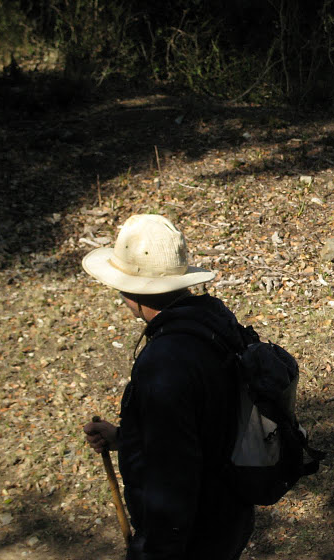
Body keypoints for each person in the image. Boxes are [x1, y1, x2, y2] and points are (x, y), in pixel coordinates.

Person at [81, 214, 254, 560]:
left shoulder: (165, 362)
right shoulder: (214, 322)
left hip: (191, 534)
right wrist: (126, 437)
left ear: (132, 291)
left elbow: (173, 473)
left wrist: (156, 549)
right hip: (228, 514)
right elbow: (196, 424)